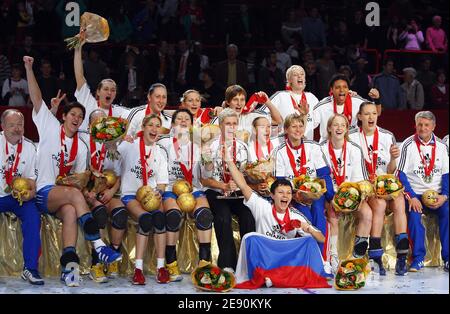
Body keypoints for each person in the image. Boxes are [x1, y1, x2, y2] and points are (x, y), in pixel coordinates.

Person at [24, 56, 122, 287]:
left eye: (80, 116)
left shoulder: (83, 145)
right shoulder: (49, 127)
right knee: (74, 198)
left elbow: (78, 183)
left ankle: (69, 269)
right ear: (64, 117)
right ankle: (99, 246)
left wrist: (86, 184)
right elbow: (36, 97)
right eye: (73, 114)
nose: (77, 118)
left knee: (70, 212)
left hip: (65, 197)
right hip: (43, 193)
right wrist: (29, 68)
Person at [349, 102, 409, 276]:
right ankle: (375, 251)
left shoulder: (387, 135)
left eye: (374, 113)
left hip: (384, 185)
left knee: (398, 201)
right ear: (359, 117)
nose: (371, 117)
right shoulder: (351, 136)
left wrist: (392, 158)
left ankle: (402, 256)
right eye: (366, 114)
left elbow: (391, 170)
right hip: (363, 185)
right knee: (380, 204)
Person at [157, 109, 213, 282]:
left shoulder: (198, 144)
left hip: (193, 187)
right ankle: (171, 263)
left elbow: (207, 174)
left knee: (205, 215)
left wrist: (207, 158)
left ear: (191, 123)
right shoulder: (163, 142)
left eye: (186, 119)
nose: (182, 121)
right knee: (173, 216)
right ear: (173, 124)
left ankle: (204, 263)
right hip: (170, 187)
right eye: (179, 118)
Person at [117, 114, 170, 284]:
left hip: (151, 196)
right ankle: (138, 270)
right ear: (143, 127)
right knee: (146, 220)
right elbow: (111, 155)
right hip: (131, 194)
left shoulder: (159, 151)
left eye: (157, 126)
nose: (154, 129)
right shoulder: (128, 146)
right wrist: (118, 139)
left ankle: (161, 268)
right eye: (151, 125)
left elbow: (162, 182)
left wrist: (158, 193)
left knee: (161, 219)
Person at [201, 108, 255, 272]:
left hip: (237, 193)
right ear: (220, 125)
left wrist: (242, 184)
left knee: (248, 215)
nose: (231, 127)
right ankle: (227, 264)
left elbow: (250, 173)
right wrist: (223, 186)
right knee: (223, 217)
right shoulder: (209, 148)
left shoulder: (244, 147)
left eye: (234, 123)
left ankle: (249, 263)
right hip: (216, 192)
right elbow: (204, 179)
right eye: (227, 124)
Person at [273, 113, 334, 257]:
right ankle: (309, 258)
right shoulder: (280, 152)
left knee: (319, 214)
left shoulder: (314, 147)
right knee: (306, 218)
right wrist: (295, 195)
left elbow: (324, 174)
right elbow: (280, 181)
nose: (298, 129)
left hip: (315, 194)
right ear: (286, 129)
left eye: (301, 126)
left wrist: (331, 197)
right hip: (294, 197)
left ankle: (323, 259)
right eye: (294, 126)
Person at [79, 109, 128, 283]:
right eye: (97, 122)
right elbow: (78, 174)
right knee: (99, 213)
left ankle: (113, 256)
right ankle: (96, 264)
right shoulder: (83, 142)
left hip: (107, 191)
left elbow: (118, 174)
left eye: (104, 122)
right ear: (90, 125)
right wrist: (87, 193)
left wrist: (111, 191)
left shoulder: (112, 144)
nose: (101, 126)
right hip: (88, 193)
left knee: (121, 213)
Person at [319, 114, 371, 274]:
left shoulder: (354, 149)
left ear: (347, 129)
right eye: (335, 125)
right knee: (332, 214)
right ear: (329, 128)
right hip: (329, 194)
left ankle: (358, 256)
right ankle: (333, 257)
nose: (339, 128)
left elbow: (362, 180)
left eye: (343, 125)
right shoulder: (320, 149)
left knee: (367, 213)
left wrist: (355, 199)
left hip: (352, 195)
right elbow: (319, 178)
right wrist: (333, 199)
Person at [397, 111, 448, 272]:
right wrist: (411, 197)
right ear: (415, 125)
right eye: (420, 124)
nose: (423, 128)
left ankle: (447, 258)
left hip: (437, 194)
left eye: (427, 125)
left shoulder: (441, 146)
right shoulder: (407, 144)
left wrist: (444, 196)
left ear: (433, 126)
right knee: (413, 215)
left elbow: (447, 174)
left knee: (448, 212)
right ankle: (418, 258)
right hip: (416, 194)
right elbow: (401, 174)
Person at [0, 109, 43, 285]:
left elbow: (32, 181)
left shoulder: (30, 147)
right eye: (12, 125)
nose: (17, 129)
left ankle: (30, 268)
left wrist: (30, 194)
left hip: (18, 198)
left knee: (33, 216)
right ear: (2, 127)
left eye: (20, 125)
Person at [74, 36, 130, 133]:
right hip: (85, 147)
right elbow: (79, 75)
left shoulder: (120, 112)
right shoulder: (88, 102)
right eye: (106, 89)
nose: (109, 92)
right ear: (98, 92)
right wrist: (78, 48)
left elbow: (139, 114)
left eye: (113, 90)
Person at [314, 74, 378, 143]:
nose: (341, 90)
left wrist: (377, 99)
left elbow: (377, 111)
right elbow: (310, 124)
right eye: (338, 87)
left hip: (351, 146)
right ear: (331, 89)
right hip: (327, 147)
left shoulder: (356, 101)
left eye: (345, 87)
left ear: (348, 89)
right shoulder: (322, 106)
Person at [210, 85, 282, 143]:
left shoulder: (252, 116)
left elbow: (278, 120)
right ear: (228, 102)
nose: (239, 104)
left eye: (242, 100)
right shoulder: (219, 119)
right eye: (235, 100)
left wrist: (267, 101)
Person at [268, 65, 318, 140]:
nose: (299, 76)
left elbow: (316, 122)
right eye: (295, 75)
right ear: (289, 80)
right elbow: (262, 114)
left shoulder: (312, 98)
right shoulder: (280, 96)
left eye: (302, 74)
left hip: (306, 146)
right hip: (283, 145)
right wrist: (275, 126)